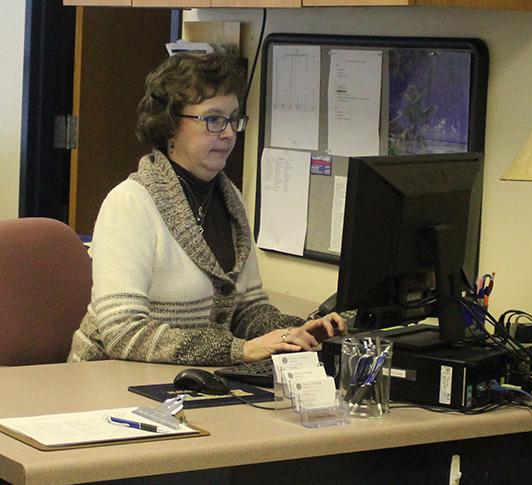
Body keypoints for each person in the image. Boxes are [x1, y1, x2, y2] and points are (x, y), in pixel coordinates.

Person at [68, 50, 346, 367]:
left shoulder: (230, 200)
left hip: (187, 380)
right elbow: (124, 333)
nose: (228, 133)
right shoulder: (131, 203)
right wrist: (237, 350)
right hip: (106, 384)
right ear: (170, 124)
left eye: (233, 119)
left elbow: (246, 310)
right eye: (213, 120)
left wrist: (293, 333)